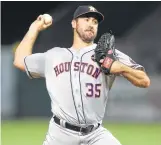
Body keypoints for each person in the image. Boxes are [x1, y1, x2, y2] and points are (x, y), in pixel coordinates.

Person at [13, 5, 150, 145]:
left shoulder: (107, 54)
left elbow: (144, 80)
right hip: (60, 134)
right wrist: (34, 28)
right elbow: (19, 61)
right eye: (86, 19)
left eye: (95, 22)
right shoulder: (54, 55)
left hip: (95, 135)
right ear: (74, 23)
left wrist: (119, 67)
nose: (91, 24)